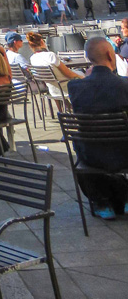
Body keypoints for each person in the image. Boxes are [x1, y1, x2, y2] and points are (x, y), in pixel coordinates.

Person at [68, 37, 128, 220]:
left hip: (92, 155)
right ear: (111, 55)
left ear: (87, 57)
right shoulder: (124, 84)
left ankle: (102, 202)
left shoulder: (75, 87)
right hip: (124, 152)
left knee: (84, 148)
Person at [27, 31, 83, 107]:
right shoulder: (50, 55)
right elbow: (69, 74)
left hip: (52, 88)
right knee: (83, 75)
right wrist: (83, 77)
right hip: (66, 86)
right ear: (42, 42)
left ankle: (67, 108)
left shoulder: (32, 58)